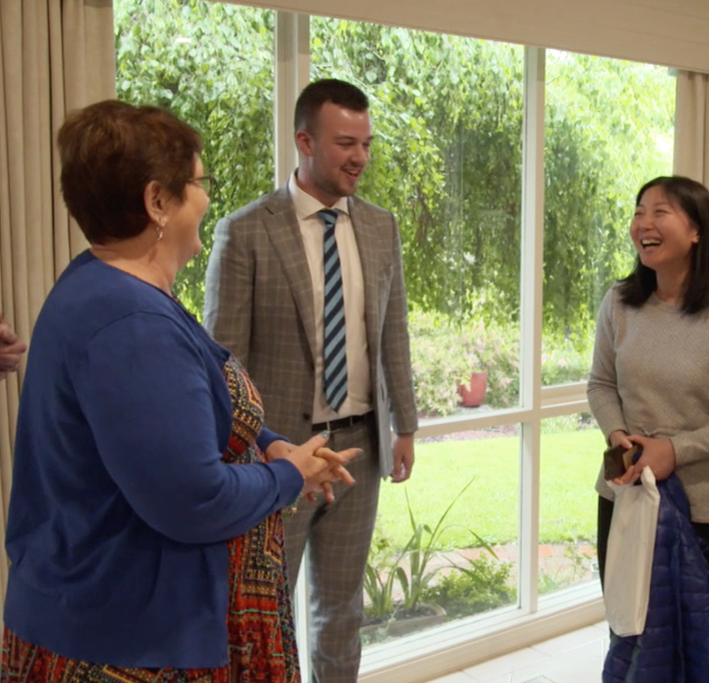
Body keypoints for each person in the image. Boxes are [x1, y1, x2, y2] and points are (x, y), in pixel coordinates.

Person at [1, 100, 357, 681]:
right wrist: (290, 475)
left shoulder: (109, 286)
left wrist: (266, 443)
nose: (206, 199)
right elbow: (194, 500)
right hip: (129, 642)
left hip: (106, 618)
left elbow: (194, 404)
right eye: (198, 183)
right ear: (156, 202)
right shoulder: (131, 325)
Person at [204, 78, 418, 683]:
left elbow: (393, 331)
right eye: (345, 143)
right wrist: (246, 454)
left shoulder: (381, 227)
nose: (359, 157)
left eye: (366, 144)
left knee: (342, 610)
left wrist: (405, 424)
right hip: (281, 458)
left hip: (361, 446)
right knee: (263, 613)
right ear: (304, 140)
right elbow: (225, 364)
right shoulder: (244, 231)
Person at [588, 175, 709, 579]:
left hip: (696, 504)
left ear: (696, 232)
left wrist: (674, 450)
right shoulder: (619, 303)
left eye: (660, 212)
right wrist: (617, 434)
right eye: (639, 212)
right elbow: (601, 383)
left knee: (679, 634)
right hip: (623, 491)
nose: (644, 223)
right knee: (624, 624)